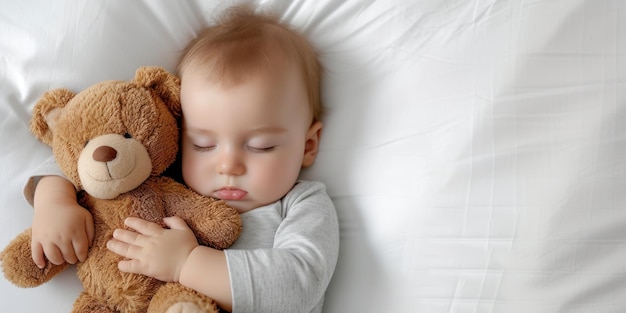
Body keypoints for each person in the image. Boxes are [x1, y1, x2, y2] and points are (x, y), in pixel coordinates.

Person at [25, 6, 339, 313]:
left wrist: (186, 263)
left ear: (308, 145)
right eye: (203, 144)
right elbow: (87, 160)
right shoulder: (174, 178)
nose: (227, 165)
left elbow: (300, 284)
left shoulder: (303, 204)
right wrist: (55, 201)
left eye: (262, 146)